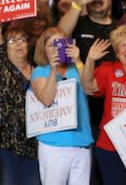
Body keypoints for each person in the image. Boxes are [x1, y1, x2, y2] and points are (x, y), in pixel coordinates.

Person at [81, 25, 126, 185]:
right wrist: (90, 59)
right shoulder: (107, 69)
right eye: (123, 45)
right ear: (117, 51)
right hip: (111, 147)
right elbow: (88, 87)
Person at [31, 27, 93, 184]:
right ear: (43, 49)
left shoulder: (76, 68)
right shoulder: (40, 71)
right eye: (51, 45)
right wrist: (53, 70)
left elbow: (90, 88)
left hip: (81, 142)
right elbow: (46, 99)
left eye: (60, 43)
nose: (56, 48)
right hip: (54, 144)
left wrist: (78, 60)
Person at [0, 24, 41, 184]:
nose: (18, 44)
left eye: (22, 40)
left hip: (35, 144)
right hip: (8, 144)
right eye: (12, 40)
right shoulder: (3, 68)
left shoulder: (39, 70)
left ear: (29, 44)